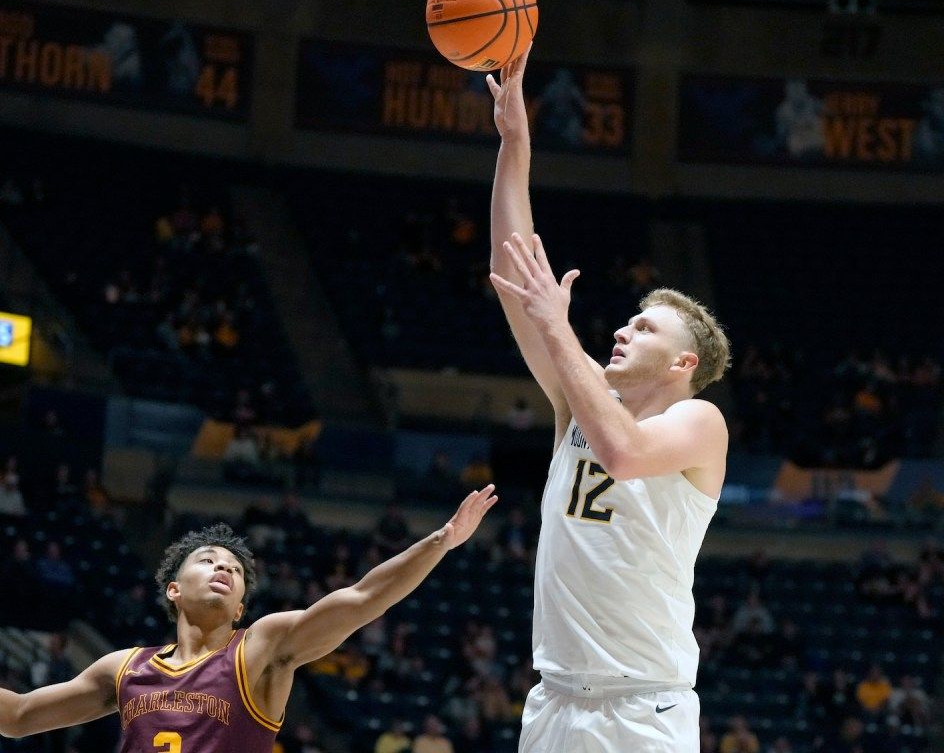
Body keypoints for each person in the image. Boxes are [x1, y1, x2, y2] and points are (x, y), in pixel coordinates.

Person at [486, 48, 732, 753]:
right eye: (627, 320)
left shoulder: (698, 422)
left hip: (640, 710)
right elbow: (512, 263)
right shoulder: (580, 399)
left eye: (645, 326)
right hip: (554, 702)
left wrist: (557, 328)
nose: (623, 329)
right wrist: (514, 146)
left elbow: (623, 453)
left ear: (685, 362)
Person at [0, 487, 497, 750]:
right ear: (173, 589)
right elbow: (20, 717)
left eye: (234, 569)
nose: (223, 568)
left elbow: (363, 597)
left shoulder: (259, 648)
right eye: (209, 560)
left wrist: (442, 540)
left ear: (240, 608)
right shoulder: (124, 669)